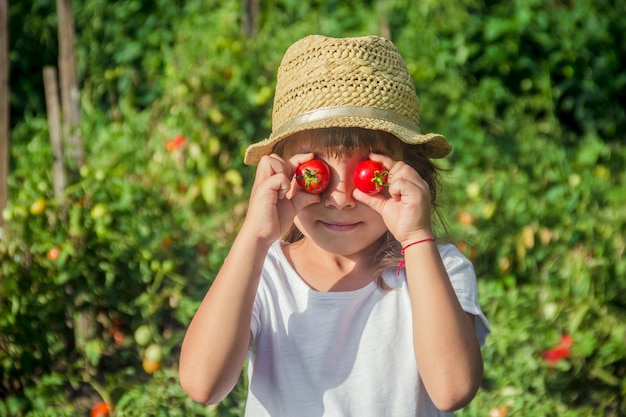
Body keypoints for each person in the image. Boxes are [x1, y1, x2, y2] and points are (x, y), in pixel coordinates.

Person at [179, 34, 490, 417]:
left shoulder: (435, 270)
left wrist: (416, 237)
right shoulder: (265, 274)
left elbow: (452, 389)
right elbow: (202, 384)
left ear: (409, 172)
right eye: (317, 173)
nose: (341, 199)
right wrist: (255, 237)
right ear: (281, 173)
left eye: (368, 173)